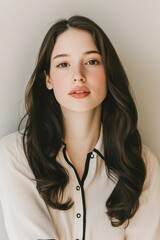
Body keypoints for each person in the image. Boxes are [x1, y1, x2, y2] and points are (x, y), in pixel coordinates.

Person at [0, 15, 160, 240]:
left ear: (108, 73)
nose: (78, 76)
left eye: (92, 61)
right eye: (63, 64)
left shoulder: (142, 163)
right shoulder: (16, 154)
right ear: (48, 79)